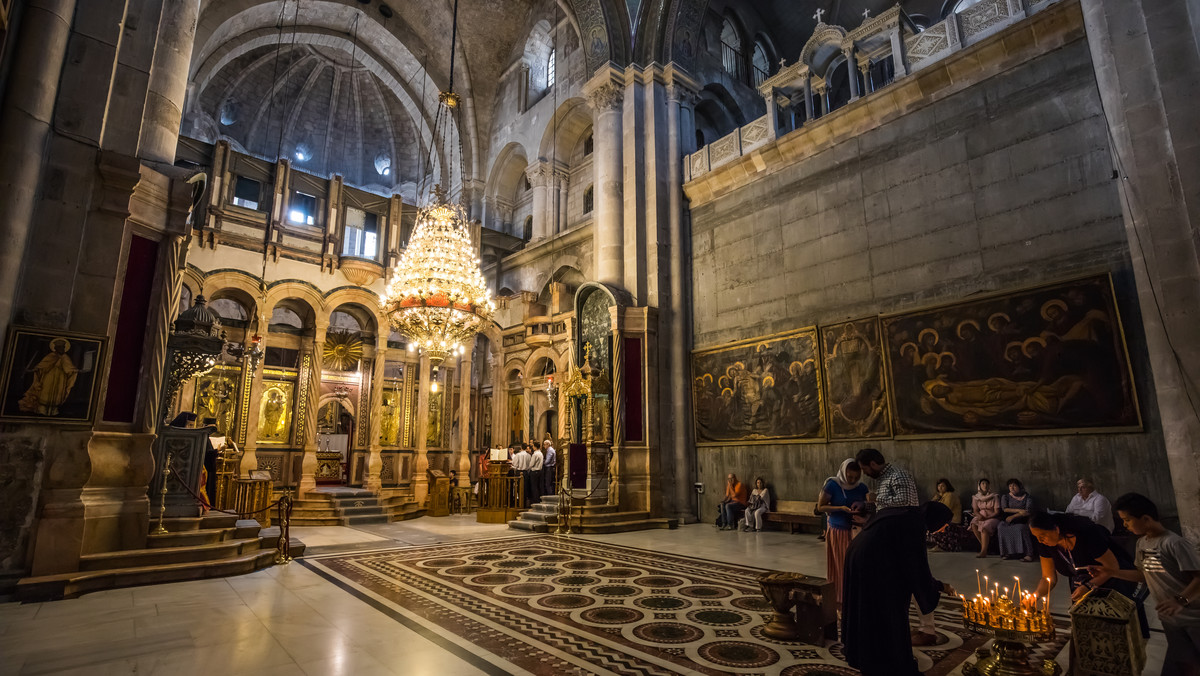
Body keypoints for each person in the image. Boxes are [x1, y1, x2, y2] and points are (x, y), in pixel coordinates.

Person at [841, 501, 958, 676]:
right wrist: (938, 587)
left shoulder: (908, 515)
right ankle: (890, 662)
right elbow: (917, 567)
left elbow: (906, 560)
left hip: (861, 555)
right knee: (889, 611)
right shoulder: (914, 524)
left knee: (870, 607)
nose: (942, 530)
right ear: (936, 519)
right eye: (944, 525)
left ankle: (869, 655)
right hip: (872, 561)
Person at [1096, 493, 1200, 676]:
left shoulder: (1173, 543)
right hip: (1171, 619)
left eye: (1127, 520)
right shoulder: (1142, 544)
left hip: (1194, 618)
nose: (1124, 525)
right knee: (1184, 663)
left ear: (1145, 518)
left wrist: (1180, 600)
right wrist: (1112, 572)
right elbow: (1144, 575)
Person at [1031, 510, 1149, 639]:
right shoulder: (1045, 545)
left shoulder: (1087, 534)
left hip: (1112, 584)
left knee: (1117, 636)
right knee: (1089, 638)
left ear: (1056, 529)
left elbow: (1112, 567)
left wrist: (1088, 586)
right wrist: (1034, 596)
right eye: (1036, 537)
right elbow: (1048, 578)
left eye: (1043, 535)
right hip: (1082, 590)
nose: (1040, 540)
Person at [818, 459, 869, 607]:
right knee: (841, 566)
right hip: (838, 529)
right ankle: (841, 599)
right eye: (850, 477)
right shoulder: (832, 485)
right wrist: (840, 508)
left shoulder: (861, 487)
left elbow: (868, 505)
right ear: (843, 472)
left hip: (857, 530)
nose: (852, 480)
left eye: (856, 477)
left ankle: (856, 596)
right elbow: (821, 507)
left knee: (858, 565)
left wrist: (862, 507)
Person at [928, 478, 976, 552]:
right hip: (944, 519)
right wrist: (934, 500)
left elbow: (945, 509)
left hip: (953, 520)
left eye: (942, 486)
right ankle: (937, 545)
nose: (940, 488)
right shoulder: (940, 496)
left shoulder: (950, 495)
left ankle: (942, 546)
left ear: (947, 486)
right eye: (939, 486)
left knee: (937, 526)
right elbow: (931, 507)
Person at [997, 478, 1035, 561]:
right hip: (1008, 518)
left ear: (1019, 486)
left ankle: (1028, 554)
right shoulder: (1006, 497)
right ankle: (1007, 553)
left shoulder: (1027, 497)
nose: (1012, 488)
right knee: (1001, 527)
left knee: (1020, 528)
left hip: (1022, 519)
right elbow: (1005, 509)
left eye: (1014, 485)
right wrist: (1019, 510)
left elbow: (1027, 511)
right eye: (1010, 486)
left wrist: (1014, 516)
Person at [968, 478, 1002, 558]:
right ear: (979, 486)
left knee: (984, 527)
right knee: (973, 524)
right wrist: (979, 515)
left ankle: (983, 551)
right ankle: (986, 547)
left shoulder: (994, 496)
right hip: (981, 516)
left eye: (986, 483)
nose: (985, 485)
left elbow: (997, 512)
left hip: (992, 517)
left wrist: (987, 517)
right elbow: (975, 510)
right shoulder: (976, 497)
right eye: (983, 483)